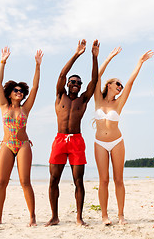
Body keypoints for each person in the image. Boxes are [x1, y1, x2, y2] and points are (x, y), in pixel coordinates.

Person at [94, 47, 153, 225]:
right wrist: (110, 56)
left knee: (118, 179)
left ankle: (120, 215)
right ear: (109, 85)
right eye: (117, 84)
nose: (120, 87)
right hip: (99, 143)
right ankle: (104, 215)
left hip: (117, 142)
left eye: (120, 85)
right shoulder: (97, 98)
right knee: (103, 180)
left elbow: (130, 83)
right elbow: (96, 76)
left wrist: (140, 63)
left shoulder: (119, 103)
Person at [45, 39, 100, 226]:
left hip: (76, 141)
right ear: (68, 84)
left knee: (79, 180)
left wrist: (94, 57)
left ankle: (79, 217)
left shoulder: (83, 100)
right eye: (72, 81)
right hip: (60, 140)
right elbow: (61, 74)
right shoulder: (60, 95)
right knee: (53, 179)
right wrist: (77, 54)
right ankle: (54, 216)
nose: (75, 84)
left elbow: (95, 80)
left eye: (78, 82)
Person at [0, 47, 44, 226]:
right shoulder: (3, 106)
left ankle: (32, 217)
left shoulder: (25, 108)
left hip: (22, 145)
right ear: (10, 92)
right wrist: (3, 62)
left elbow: (35, 87)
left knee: (25, 181)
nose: (19, 92)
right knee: (1, 182)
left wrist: (37, 66)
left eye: (21, 91)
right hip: (7, 144)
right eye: (16, 90)